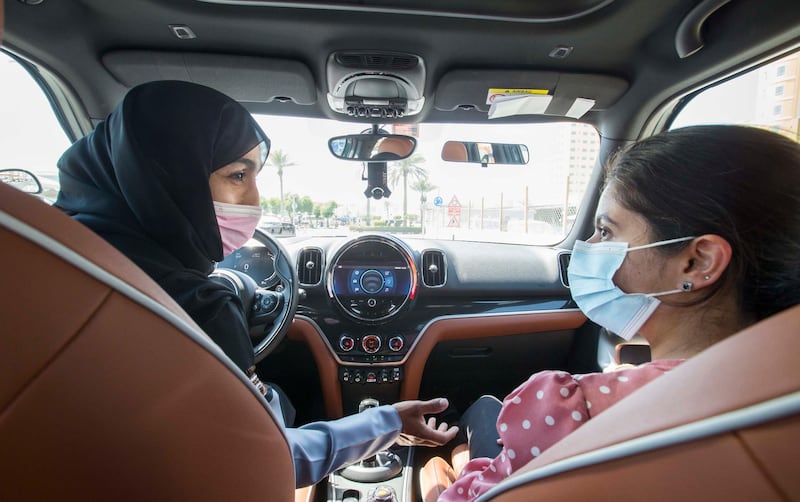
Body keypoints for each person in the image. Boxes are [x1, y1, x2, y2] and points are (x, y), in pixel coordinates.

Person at [53, 80, 458, 488]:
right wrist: (386, 423)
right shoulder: (200, 307)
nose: (254, 202)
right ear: (167, 171)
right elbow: (269, 457)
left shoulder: (45, 257)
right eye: (238, 174)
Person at [423, 124, 800, 501]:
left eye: (605, 231)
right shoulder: (777, 397)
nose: (586, 247)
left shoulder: (571, 408)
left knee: (471, 426)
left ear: (697, 262)